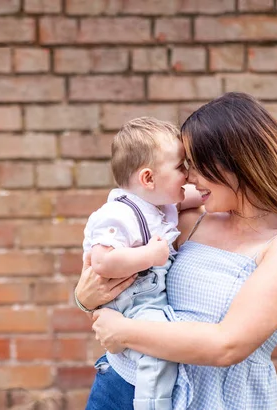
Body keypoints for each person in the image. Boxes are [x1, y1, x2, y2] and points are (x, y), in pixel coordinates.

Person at [74, 92, 277, 410]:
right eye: (184, 166)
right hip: (124, 388)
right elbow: (128, 289)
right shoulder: (192, 219)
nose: (189, 177)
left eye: (195, 165)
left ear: (236, 163)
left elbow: (226, 345)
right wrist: (84, 298)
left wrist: (125, 332)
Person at [81, 117, 192, 410]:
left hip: (148, 302)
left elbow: (198, 195)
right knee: (158, 354)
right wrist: (149, 257)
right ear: (148, 179)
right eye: (181, 167)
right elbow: (102, 261)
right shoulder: (120, 214)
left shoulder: (161, 203)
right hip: (131, 304)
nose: (189, 174)